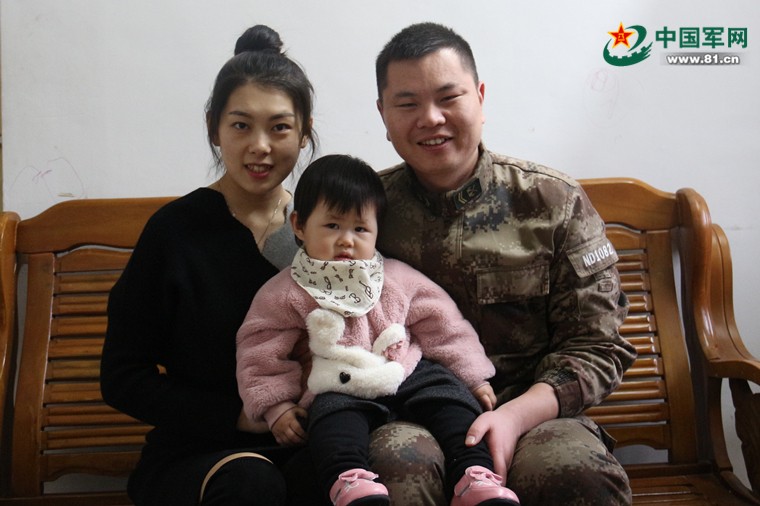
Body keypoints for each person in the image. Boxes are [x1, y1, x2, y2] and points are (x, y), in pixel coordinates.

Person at [373, 22, 638, 506]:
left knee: (573, 471)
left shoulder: (552, 201)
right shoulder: (363, 212)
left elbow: (597, 344)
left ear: (479, 97)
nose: (431, 118)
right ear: (383, 115)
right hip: (407, 412)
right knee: (392, 470)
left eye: (448, 97)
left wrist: (515, 415)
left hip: (535, 410)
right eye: (407, 104)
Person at [100, 24, 320, 505]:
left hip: (307, 440)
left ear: (304, 132)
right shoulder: (174, 232)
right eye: (241, 125)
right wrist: (239, 416)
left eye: (279, 127)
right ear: (213, 128)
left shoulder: (325, 233)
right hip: (201, 451)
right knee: (253, 484)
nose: (259, 146)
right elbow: (122, 377)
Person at [236, 154, 520, 506]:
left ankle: (474, 476)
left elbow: (443, 325)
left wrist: (474, 378)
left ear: (377, 231)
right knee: (329, 420)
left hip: (405, 368)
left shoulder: (397, 276)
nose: (346, 240)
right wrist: (276, 407)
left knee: (452, 400)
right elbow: (260, 350)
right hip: (340, 380)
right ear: (299, 225)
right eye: (332, 226)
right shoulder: (285, 292)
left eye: (360, 229)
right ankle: (349, 481)